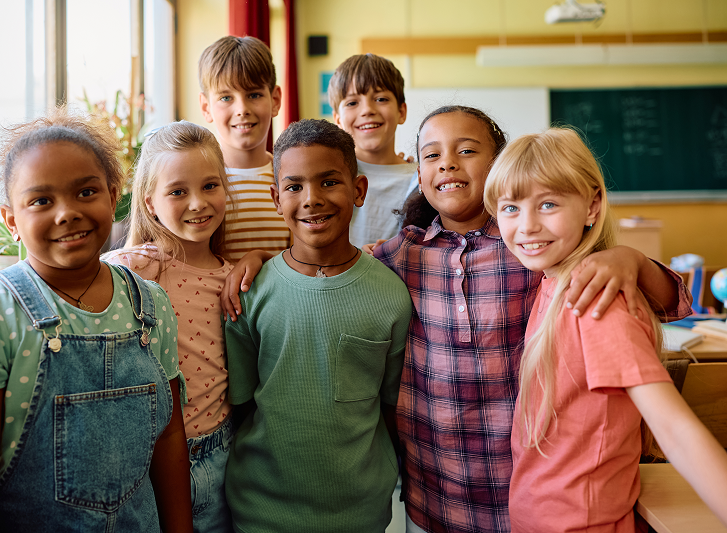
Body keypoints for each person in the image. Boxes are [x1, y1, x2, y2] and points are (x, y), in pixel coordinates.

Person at [219, 105, 692, 533]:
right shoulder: (400, 255)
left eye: (466, 151)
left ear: (499, 166)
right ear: (419, 177)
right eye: (432, 155)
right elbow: (324, 264)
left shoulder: (530, 248)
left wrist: (630, 259)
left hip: (523, 494)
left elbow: (671, 302)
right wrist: (262, 257)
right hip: (433, 495)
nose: (447, 163)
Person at [0, 107, 193, 532]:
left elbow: (168, 440)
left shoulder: (151, 305)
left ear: (113, 193)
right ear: (11, 220)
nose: (66, 212)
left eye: (86, 192)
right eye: (41, 200)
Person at [483, 127, 727, 531]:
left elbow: (675, 429)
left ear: (593, 207)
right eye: (510, 208)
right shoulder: (551, 281)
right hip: (540, 515)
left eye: (547, 204)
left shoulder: (593, 303)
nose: (526, 226)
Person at [223, 119, 413, 533]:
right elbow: (241, 405)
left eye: (329, 182)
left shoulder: (392, 296)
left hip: (360, 512)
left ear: (358, 190)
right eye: (294, 187)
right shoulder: (250, 293)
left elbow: (390, 406)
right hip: (260, 511)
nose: (311, 199)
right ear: (276, 199)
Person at [104, 121, 235, 533]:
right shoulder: (135, 268)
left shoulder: (232, 278)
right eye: (178, 191)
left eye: (210, 186)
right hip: (147, 461)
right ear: (150, 203)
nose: (197, 203)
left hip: (221, 453)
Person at [198, 35, 290, 261]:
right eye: (226, 97)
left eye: (254, 95)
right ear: (206, 107)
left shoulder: (291, 179)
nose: (242, 109)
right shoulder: (199, 184)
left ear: (275, 100)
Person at [329, 53, 418, 247]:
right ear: (338, 120)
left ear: (401, 112)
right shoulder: (327, 177)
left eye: (381, 99)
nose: (367, 109)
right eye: (352, 103)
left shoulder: (423, 179)